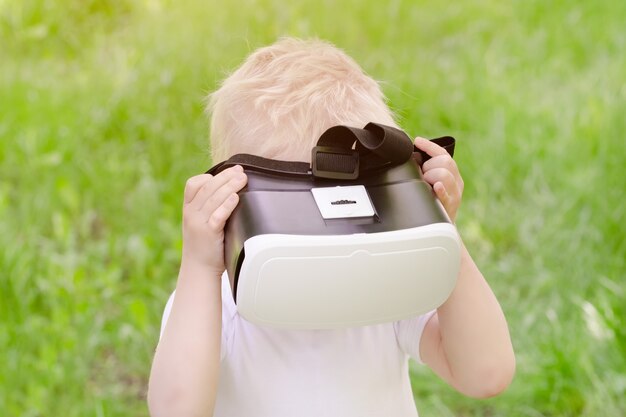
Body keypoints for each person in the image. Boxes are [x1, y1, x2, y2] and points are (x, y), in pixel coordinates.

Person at [147, 37, 515, 417]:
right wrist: (200, 267)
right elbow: (176, 410)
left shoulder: (385, 276)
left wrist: (439, 231)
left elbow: (485, 373)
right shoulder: (216, 300)